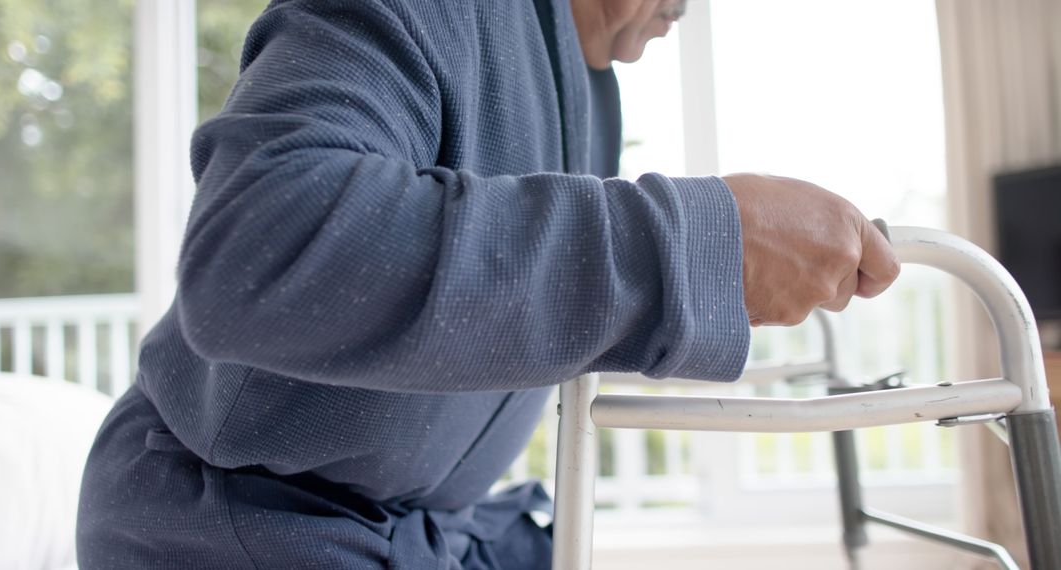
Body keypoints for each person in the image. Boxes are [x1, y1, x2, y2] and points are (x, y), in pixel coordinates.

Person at [77, 0, 899, 568]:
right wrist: (694, 245)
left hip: (424, 529)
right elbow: (257, 252)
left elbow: (506, 293)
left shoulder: (590, 87)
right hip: (235, 532)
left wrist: (709, 271)